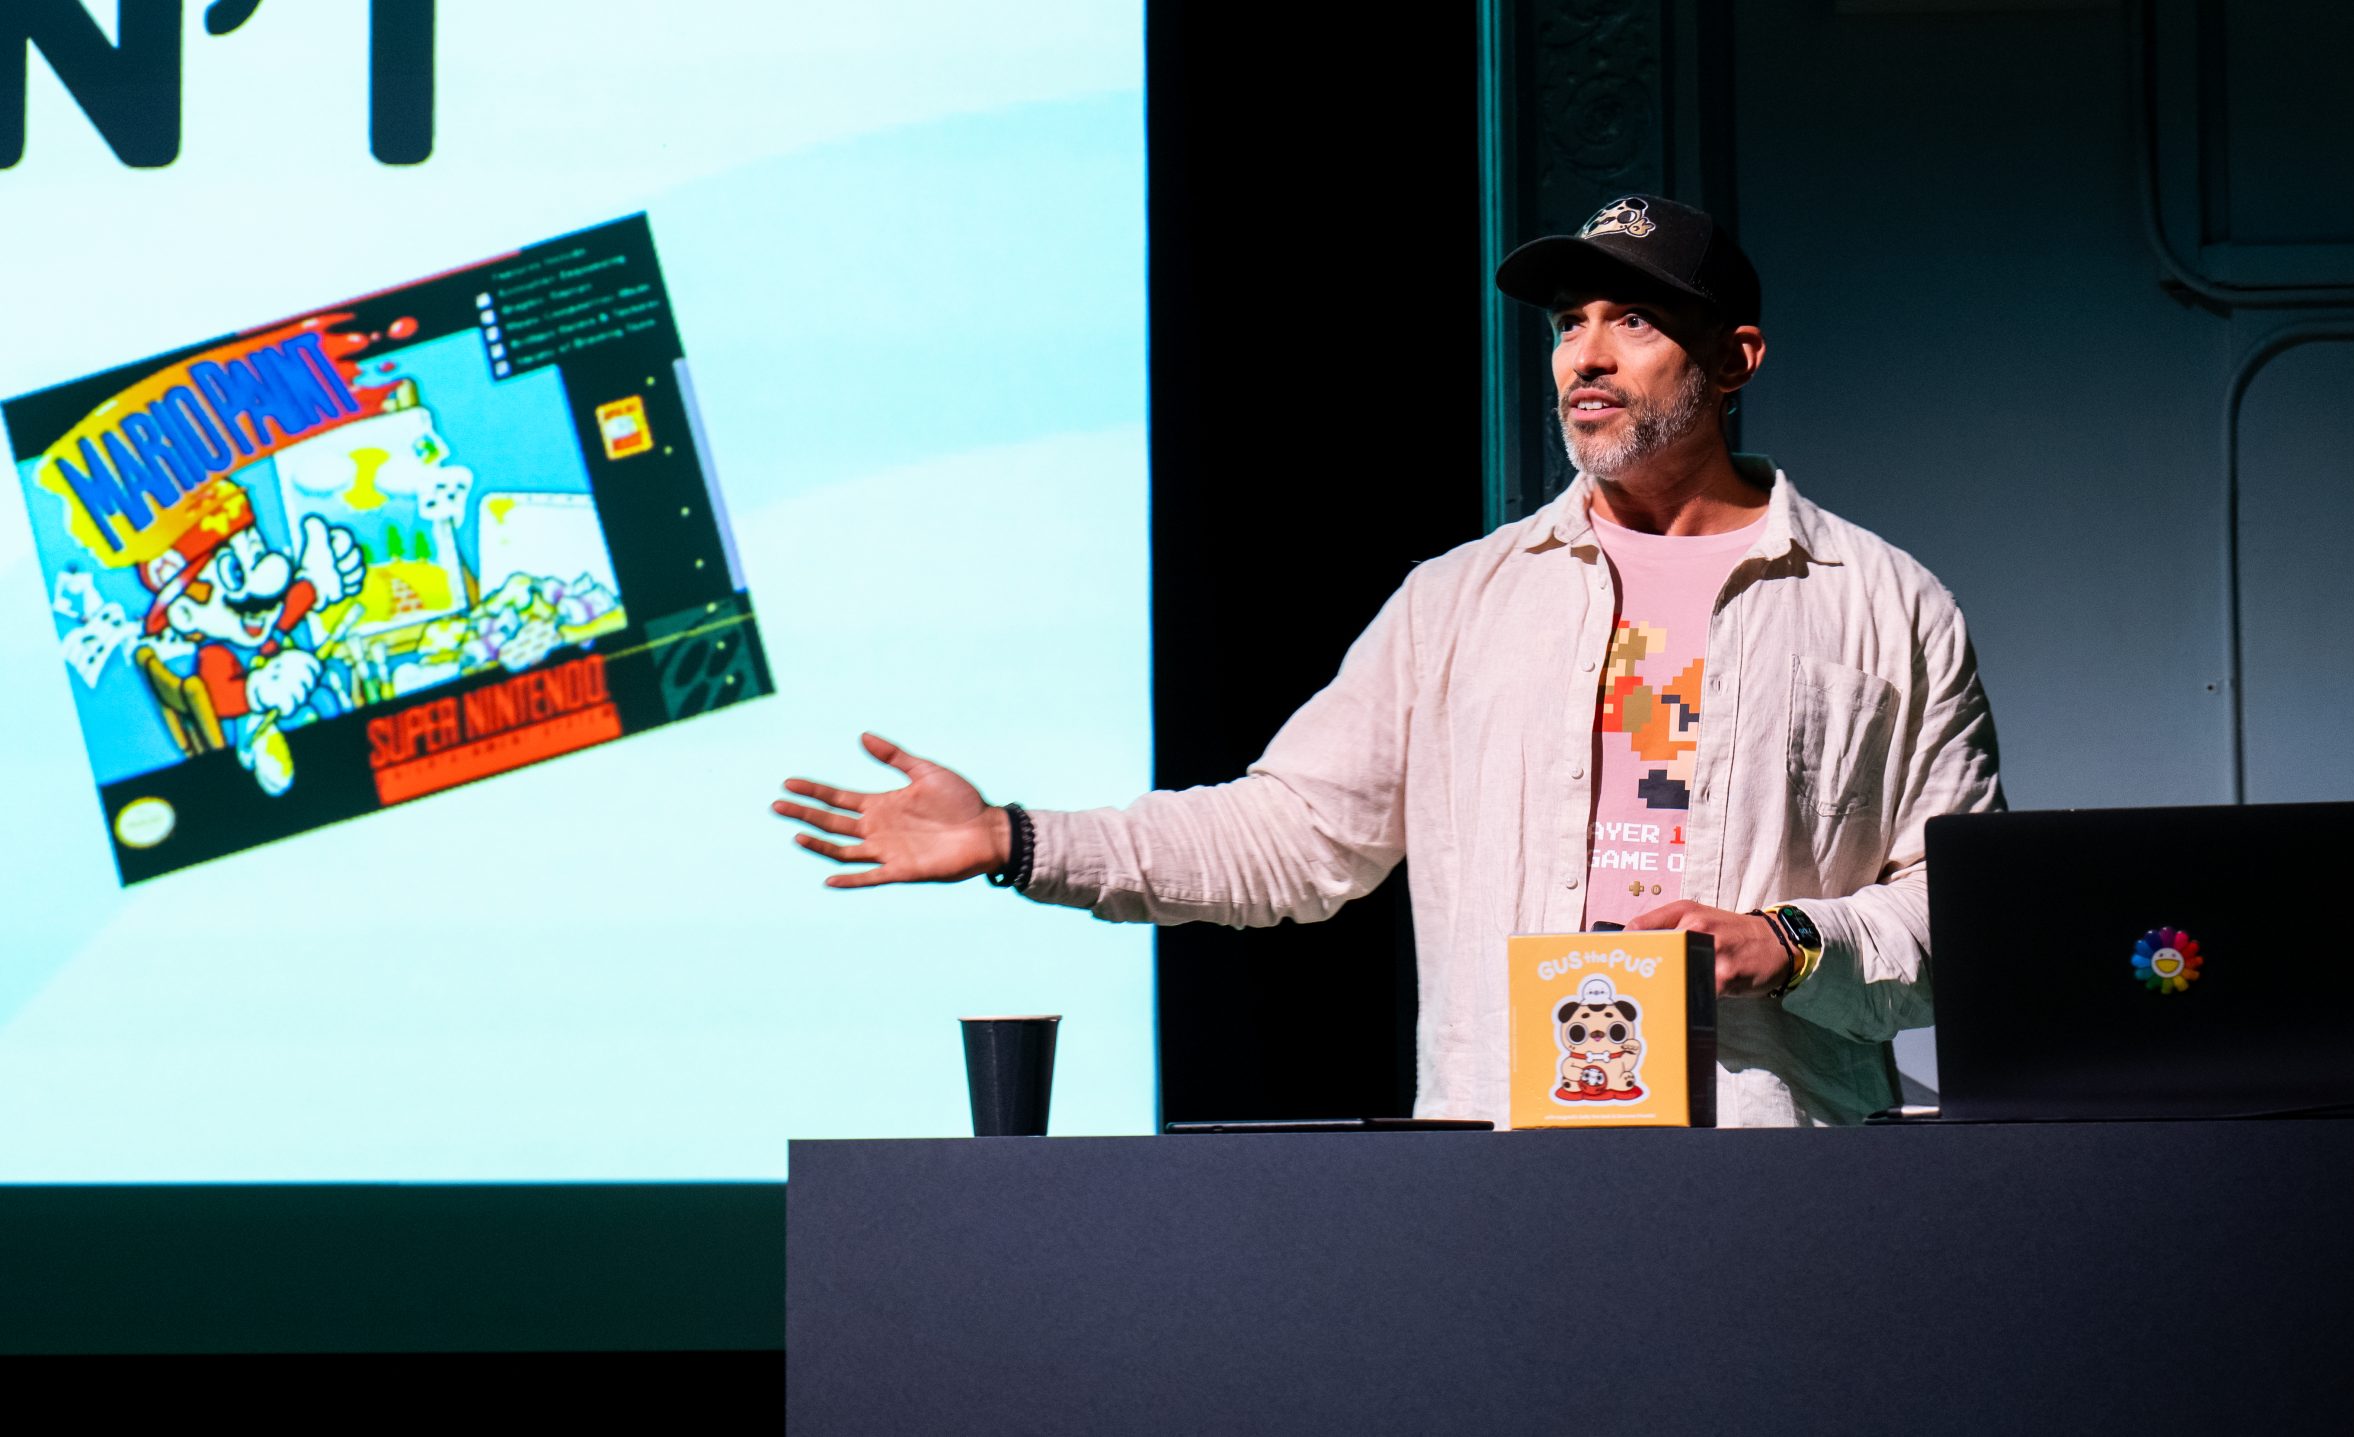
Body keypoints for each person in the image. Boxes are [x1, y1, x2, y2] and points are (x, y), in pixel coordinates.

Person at [770, 194, 2003, 1127]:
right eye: (1568, 322)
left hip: (1775, 1167)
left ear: (1736, 357)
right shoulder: (1458, 602)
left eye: (1631, 320)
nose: (1584, 356)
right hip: (1505, 1167)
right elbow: (1291, 836)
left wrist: (1791, 942)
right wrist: (1016, 840)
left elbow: (1963, 922)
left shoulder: (1880, 606)